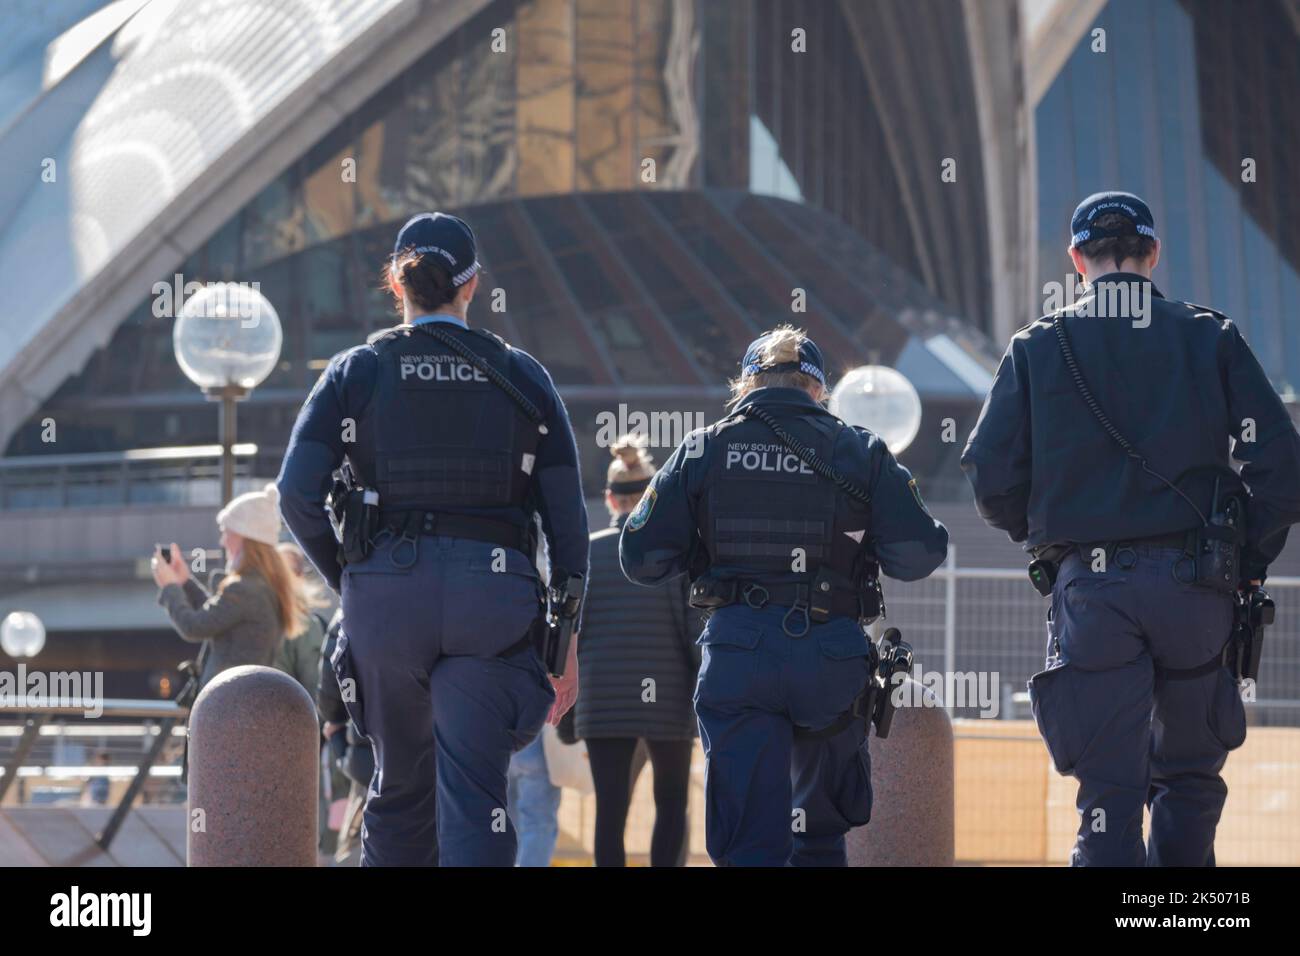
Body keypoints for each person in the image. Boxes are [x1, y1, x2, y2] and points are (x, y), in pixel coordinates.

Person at [961, 191, 1300, 866]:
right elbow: (1282, 464)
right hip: (1198, 589)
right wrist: (1248, 555)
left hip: (1093, 590)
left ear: (1076, 261)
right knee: (1190, 779)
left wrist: (1050, 546)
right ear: (1153, 253)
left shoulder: (1038, 346)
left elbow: (989, 474)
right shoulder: (1209, 336)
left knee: (1108, 790)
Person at [277, 211, 589, 867]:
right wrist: (565, 641)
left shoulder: (357, 371)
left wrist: (351, 577)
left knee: (397, 791)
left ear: (397, 284)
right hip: (493, 598)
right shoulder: (524, 377)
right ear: (471, 286)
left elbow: (294, 494)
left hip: (387, 599)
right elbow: (568, 524)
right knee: (479, 795)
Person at [620, 326, 949, 867]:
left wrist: (707, 554)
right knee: (820, 836)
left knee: (749, 840)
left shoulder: (705, 446)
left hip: (740, 653)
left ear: (745, 386)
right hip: (830, 658)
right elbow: (920, 555)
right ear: (818, 390)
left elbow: (641, 557)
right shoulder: (860, 449)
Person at [578, 436, 700, 867]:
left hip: (602, 703)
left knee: (609, 812)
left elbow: (573, 635)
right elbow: (693, 635)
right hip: (668, 700)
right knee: (671, 804)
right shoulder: (677, 557)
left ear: (610, 498)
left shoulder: (587, 554)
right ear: (652, 498)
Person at [152, 483, 309, 691]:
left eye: (227, 532)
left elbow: (194, 626)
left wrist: (170, 586)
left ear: (244, 538)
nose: (222, 541)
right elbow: (216, 616)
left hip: (227, 704)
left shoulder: (244, 589)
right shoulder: (264, 586)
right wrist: (184, 582)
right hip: (244, 702)